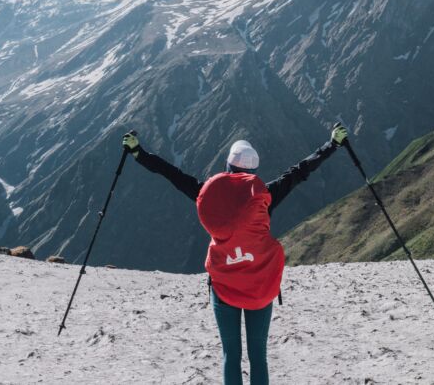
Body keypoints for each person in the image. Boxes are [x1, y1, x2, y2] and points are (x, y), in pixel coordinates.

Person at [121, 123, 350, 385]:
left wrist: (139, 153)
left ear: (228, 167)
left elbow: (173, 174)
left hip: (223, 284)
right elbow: (300, 171)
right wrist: (331, 145)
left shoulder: (207, 193)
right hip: (260, 285)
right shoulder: (265, 196)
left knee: (231, 354)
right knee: (258, 356)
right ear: (253, 171)